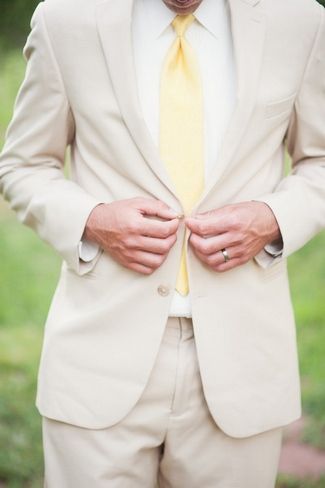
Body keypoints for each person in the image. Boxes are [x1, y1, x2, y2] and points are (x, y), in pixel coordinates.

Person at [0, 0, 324, 485]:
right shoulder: (63, 19)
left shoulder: (299, 21)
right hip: (97, 357)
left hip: (243, 362)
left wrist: (272, 217)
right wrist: (92, 219)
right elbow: (23, 165)